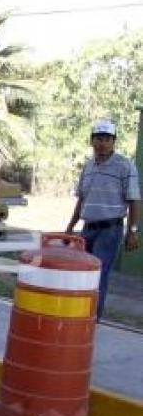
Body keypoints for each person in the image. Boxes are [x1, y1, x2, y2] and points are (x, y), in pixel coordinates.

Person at [65, 119, 140, 320]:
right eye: (98, 138)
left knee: (98, 274)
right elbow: (82, 199)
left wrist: (132, 231)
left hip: (110, 229)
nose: (102, 143)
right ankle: (78, 316)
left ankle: (91, 320)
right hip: (87, 229)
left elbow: (134, 200)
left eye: (107, 139)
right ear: (92, 141)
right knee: (81, 273)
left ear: (113, 142)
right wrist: (71, 226)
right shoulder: (88, 167)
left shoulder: (125, 166)